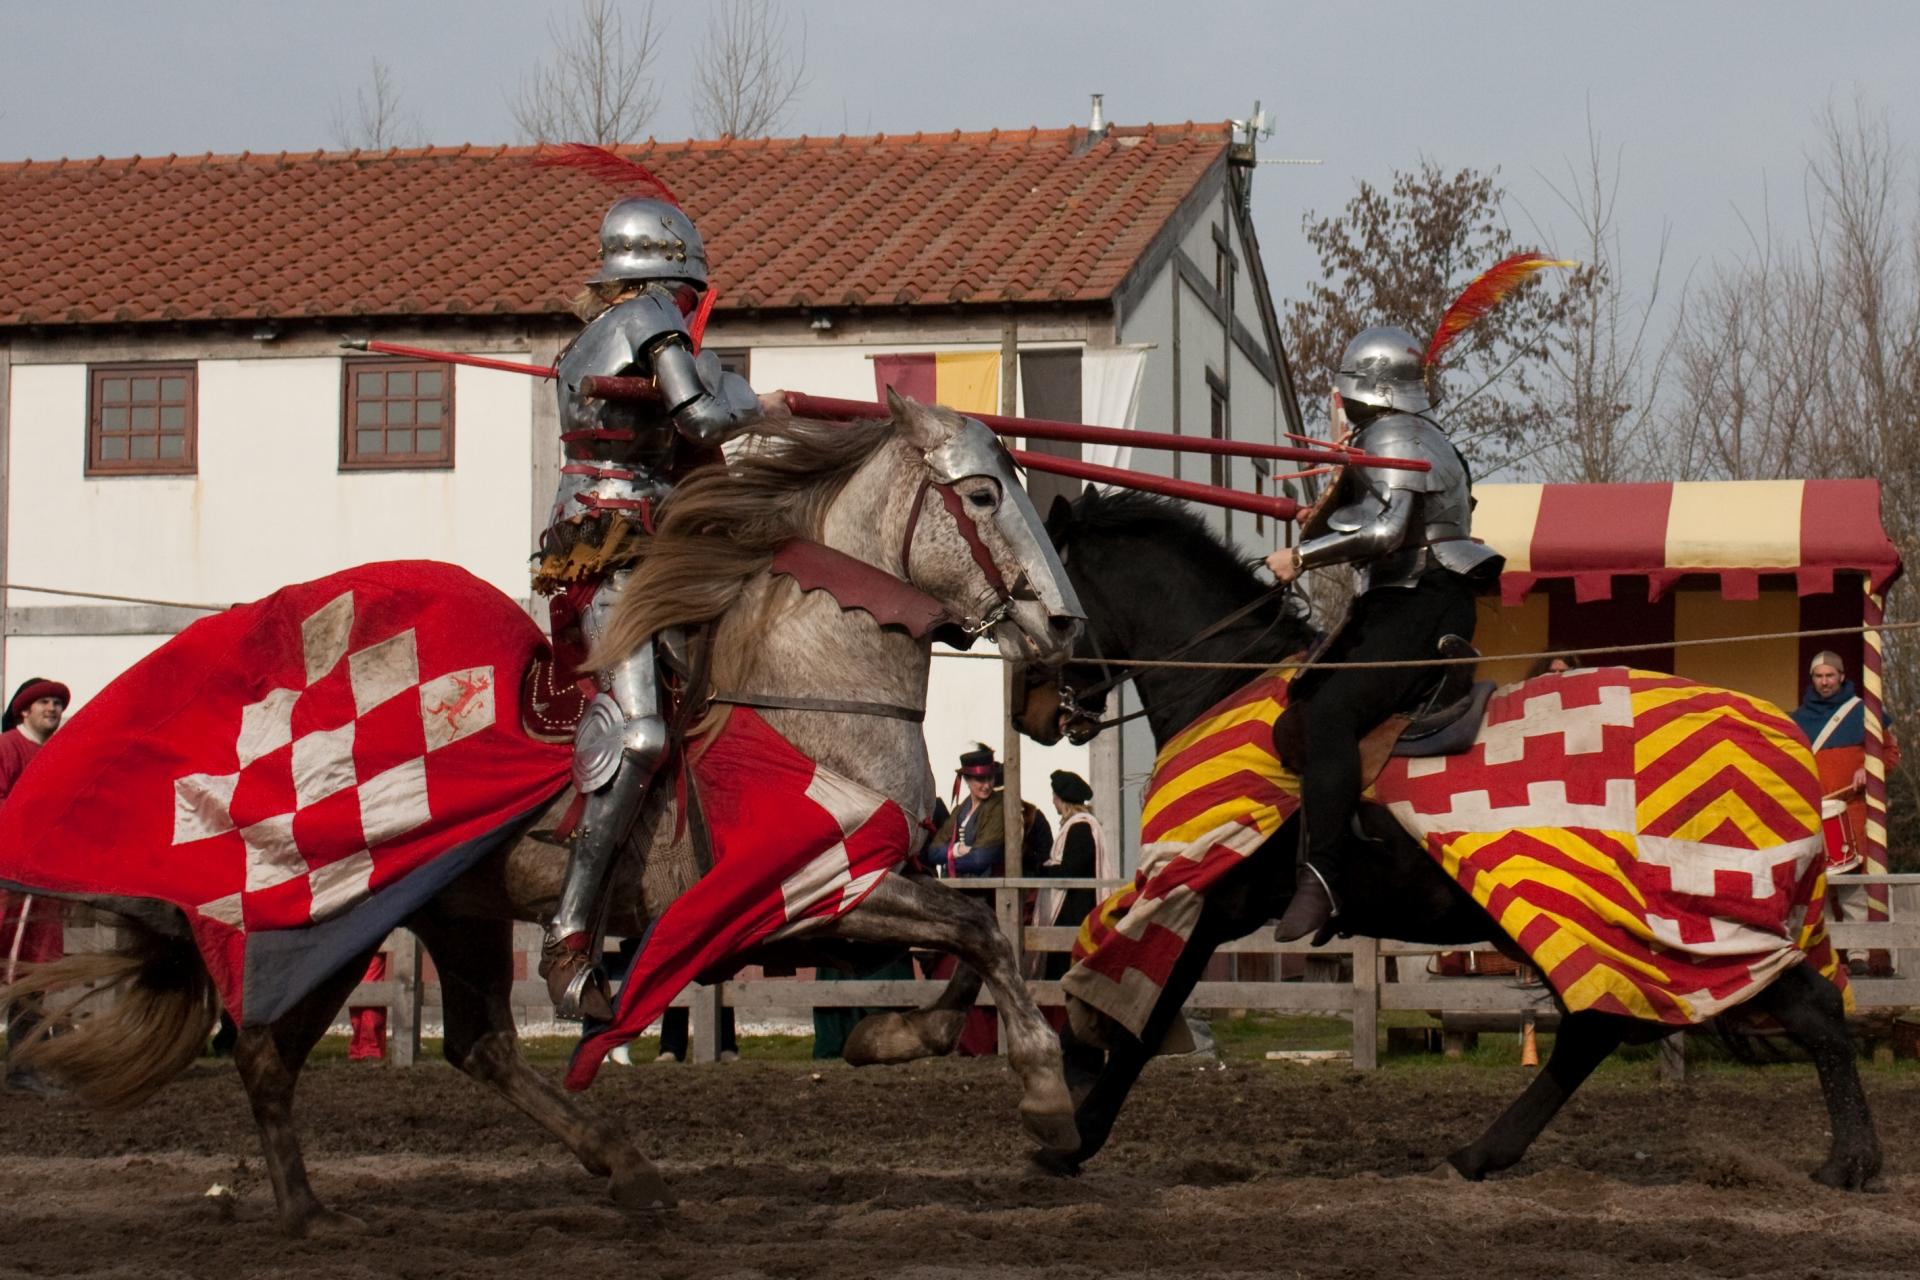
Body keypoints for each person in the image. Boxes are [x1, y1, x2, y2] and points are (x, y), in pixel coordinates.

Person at [533, 178, 777, 1021]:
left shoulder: (584, 342)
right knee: (639, 732)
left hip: (622, 534)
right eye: (690, 294)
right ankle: (568, 938)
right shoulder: (648, 322)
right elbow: (705, 422)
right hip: (620, 543)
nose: (690, 307)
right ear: (673, 279)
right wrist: (748, 393)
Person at [1264, 328, 1504, 941]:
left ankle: (1324, 877)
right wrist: (1316, 516)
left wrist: (1303, 556)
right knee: (1310, 698)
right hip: (1403, 602)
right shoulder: (1411, 435)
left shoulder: (1396, 435)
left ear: (1370, 391)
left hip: (1420, 602)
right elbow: (1366, 516)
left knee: (1330, 719)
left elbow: (1387, 534)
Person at [1793, 650, 1901, 974]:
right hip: (1813, 815)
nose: (1824, 681)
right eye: (1819, 676)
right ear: (1812, 679)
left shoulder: (1863, 713)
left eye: (1830, 675)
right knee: (1819, 887)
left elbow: (1890, 751)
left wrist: (1870, 769)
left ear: (1841, 676)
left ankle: (1858, 955)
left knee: (1853, 886)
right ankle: (1826, 957)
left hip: (1851, 814)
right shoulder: (1797, 720)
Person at [1, 676, 70, 1095]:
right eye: (44, 702)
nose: (52, 709)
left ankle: (24, 1066)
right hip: (8, 877)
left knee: (34, 971)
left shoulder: (58, 755)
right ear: (24, 710)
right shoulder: (8, 747)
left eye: (57, 704)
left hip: (42, 881)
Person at [1029, 770, 1114, 981]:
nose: (1053, 802)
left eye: (1055, 797)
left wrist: (1041, 869)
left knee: (1063, 970)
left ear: (1061, 799)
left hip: (1075, 911)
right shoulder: (1079, 826)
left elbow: (1069, 870)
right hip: (1074, 909)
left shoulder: (1080, 828)